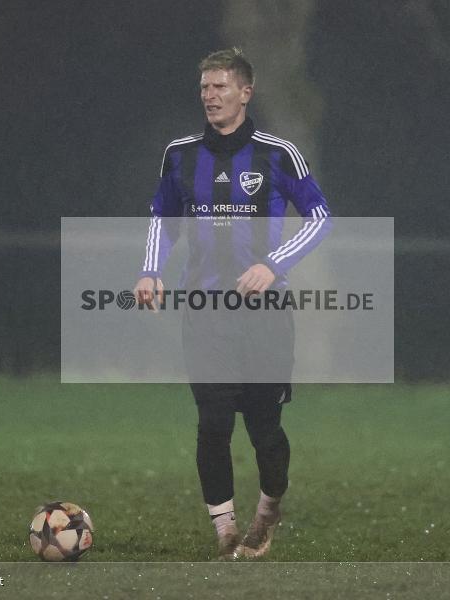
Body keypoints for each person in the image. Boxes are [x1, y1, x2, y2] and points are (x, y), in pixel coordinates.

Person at [134, 48, 331, 560]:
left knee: (264, 425)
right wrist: (151, 271)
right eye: (205, 88)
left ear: (246, 92)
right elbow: (162, 217)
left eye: (221, 87)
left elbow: (319, 217)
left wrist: (273, 265)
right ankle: (225, 535)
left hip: (265, 315)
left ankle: (267, 513)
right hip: (203, 308)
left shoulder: (278, 153)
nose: (210, 96)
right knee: (214, 421)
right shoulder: (179, 154)